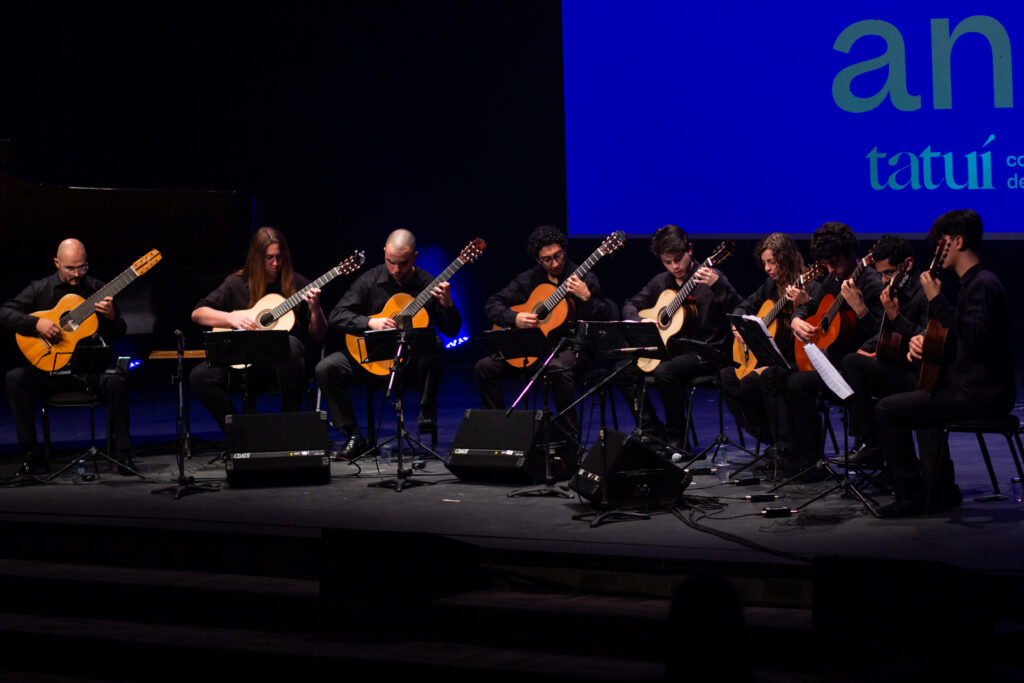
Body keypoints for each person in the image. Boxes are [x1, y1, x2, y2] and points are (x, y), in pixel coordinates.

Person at [875, 209, 1014, 517]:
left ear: (958, 241)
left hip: (981, 393)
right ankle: (938, 491)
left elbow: (975, 336)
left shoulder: (984, 284)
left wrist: (936, 300)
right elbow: (964, 338)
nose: (937, 252)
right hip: (969, 387)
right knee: (918, 396)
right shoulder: (970, 284)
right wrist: (926, 342)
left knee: (886, 410)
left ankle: (912, 494)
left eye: (941, 244)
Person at [316, 229, 461, 457]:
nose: (396, 269)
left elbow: (452, 331)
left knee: (434, 342)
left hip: (410, 367)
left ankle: (426, 413)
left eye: (403, 263)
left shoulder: (428, 284)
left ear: (415, 256)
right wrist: (369, 323)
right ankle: (353, 434)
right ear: (384, 252)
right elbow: (336, 316)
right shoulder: (370, 280)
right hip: (372, 361)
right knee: (326, 368)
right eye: (390, 261)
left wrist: (448, 305)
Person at [474, 225, 612, 450]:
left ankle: (570, 443)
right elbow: (492, 305)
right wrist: (515, 317)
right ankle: (499, 432)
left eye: (558, 256)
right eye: (547, 259)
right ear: (538, 260)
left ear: (564, 250)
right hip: (535, 348)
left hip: (573, 349)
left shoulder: (584, 277)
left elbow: (605, 320)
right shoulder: (529, 280)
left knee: (557, 369)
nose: (555, 264)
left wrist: (586, 298)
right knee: (484, 368)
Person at [1, 238, 130, 475]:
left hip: (88, 374)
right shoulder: (41, 288)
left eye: (82, 267)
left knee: (117, 382)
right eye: (70, 268)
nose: (76, 274)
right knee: (14, 378)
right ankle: (32, 454)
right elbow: (5, 312)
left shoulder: (97, 290)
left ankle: (122, 455)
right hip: (49, 374)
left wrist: (111, 316)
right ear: (57, 263)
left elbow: (120, 333)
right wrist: (35, 323)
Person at [772, 221, 884, 476]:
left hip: (861, 374)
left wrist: (861, 310)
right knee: (783, 377)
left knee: (798, 384)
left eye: (835, 263)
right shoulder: (834, 281)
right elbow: (808, 308)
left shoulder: (870, 284)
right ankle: (802, 457)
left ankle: (821, 458)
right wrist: (797, 319)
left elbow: (884, 333)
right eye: (827, 265)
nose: (831, 271)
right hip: (835, 367)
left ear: (851, 254)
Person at [617, 225, 740, 452]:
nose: (674, 266)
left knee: (666, 372)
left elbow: (739, 310)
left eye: (678, 259)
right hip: (672, 352)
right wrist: (639, 320)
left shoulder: (712, 278)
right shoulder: (661, 282)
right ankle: (652, 430)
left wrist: (718, 285)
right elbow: (630, 304)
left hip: (706, 354)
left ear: (690, 250)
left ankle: (678, 439)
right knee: (622, 368)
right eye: (667, 262)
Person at [190, 226, 325, 432]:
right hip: (243, 364)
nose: (275, 263)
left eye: (279, 257)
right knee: (199, 376)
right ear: (256, 258)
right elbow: (198, 313)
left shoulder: (298, 284)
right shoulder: (236, 283)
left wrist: (315, 309)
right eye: (269, 258)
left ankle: (289, 425)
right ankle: (237, 433)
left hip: (282, 369)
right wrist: (232, 319)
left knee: (289, 343)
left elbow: (319, 335)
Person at [838, 235, 928, 468]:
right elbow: (883, 334)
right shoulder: (893, 291)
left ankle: (869, 443)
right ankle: (878, 452)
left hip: (921, 376)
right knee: (853, 362)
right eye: (881, 275)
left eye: (889, 273)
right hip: (897, 366)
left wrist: (893, 316)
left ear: (906, 266)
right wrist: (866, 349)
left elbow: (925, 336)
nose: (885, 280)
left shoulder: (923, 291)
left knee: (852, 364)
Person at [719, 232, 816, 447]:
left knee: (754, 381)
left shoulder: (810, 285)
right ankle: (768, 438)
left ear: (786, 258)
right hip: (768, 358)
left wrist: (805, 303)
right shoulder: (770, 286)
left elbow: (817, 323)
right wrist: (737, 326)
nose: (767, 269)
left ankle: (785, 446)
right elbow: (743, 306)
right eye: (764, 263)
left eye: (771, 262)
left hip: (794, 359)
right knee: (727, 376)